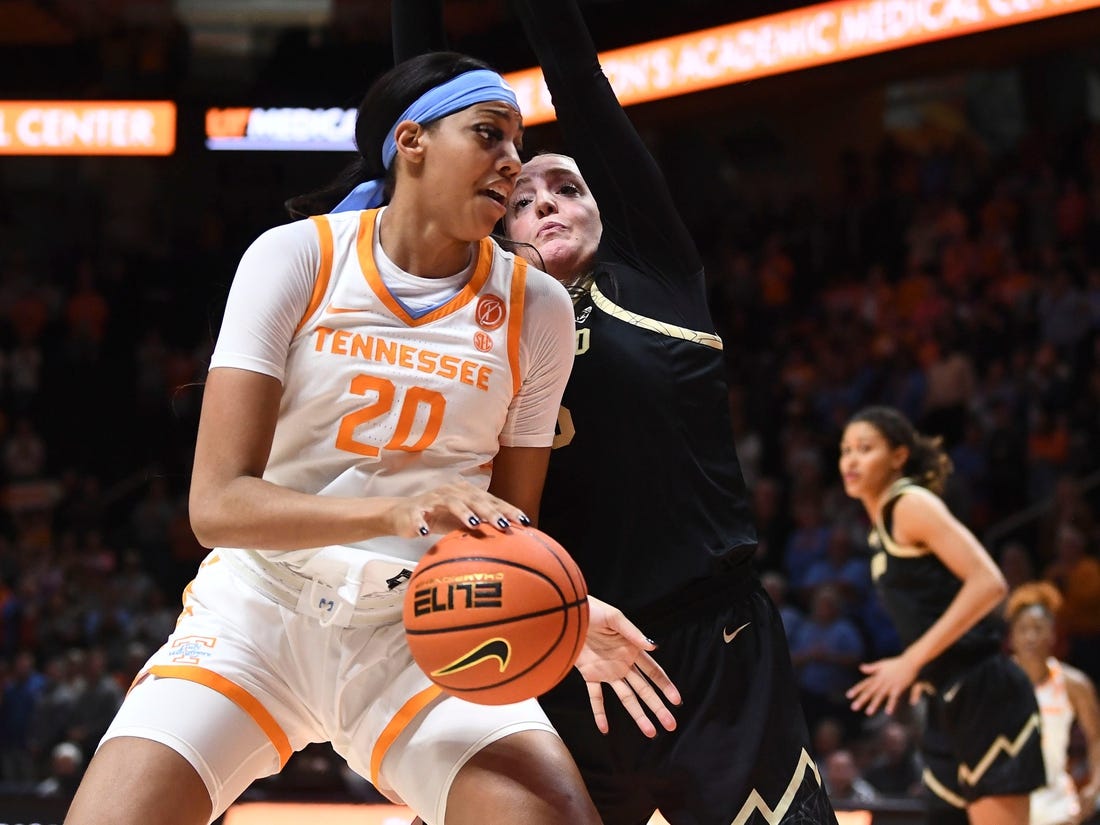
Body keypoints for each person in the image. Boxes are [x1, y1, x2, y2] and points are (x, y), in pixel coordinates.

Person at [63, 51, 677, 825]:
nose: (512, 161)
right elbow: (218, 506)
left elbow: (516, 528)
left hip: (422, 630)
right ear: (411, 141)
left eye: (517, 142)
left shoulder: (537, 307)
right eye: (489, 134)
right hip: (258, 614)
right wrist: (398, 510)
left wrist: (563, 612)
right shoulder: (298, 257)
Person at [393, 3, 838, 823]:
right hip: (549, 639)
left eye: (569, 187)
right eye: (522, 199)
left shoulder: (655, 277)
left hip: (709, 648)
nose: (548, 204)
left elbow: (577, 76)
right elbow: (420, 117)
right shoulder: (476, 311)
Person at [839, 405, 1045, 825]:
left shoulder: (910, 503)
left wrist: (911, 660)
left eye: (865, 448)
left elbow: (990, 583)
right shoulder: (880, 527)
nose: (851, 460)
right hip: (944, 695)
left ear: (898, 456)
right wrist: (924, 666)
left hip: (985, 690)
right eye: (845, 451)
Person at [1006, 580, 1100, 825]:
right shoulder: (997, 683)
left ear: (1053, 633)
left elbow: (1096, 738)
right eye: (1023, 629)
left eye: (1038, 628)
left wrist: (1095, 786)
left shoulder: (1074, 684)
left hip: (1057, 804)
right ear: (1012, 636)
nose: (1030, 637)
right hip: (1007, 801)